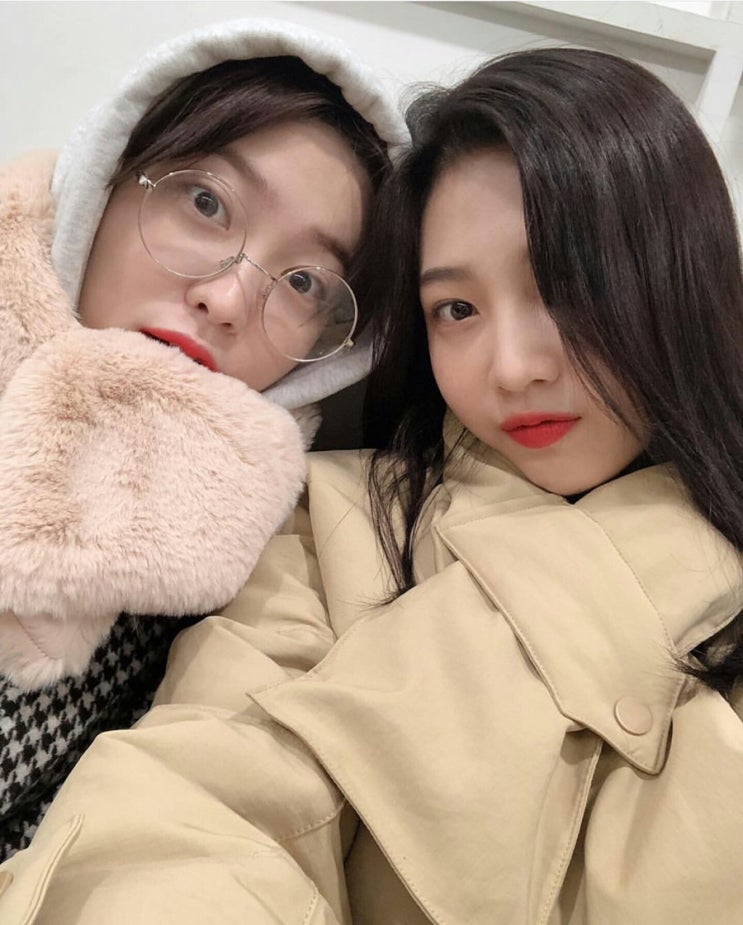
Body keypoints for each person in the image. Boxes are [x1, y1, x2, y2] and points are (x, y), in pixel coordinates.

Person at [2, 46, 743, 924]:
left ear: (680, 269)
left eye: (567, 286)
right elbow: (195, 800)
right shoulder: (331, 525)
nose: (512, 369)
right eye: (455, 309)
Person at [0, 18, 405, 859]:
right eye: (207, 203)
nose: (226, 300)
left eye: (304, 281)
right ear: (108, 175)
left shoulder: (247, 563)